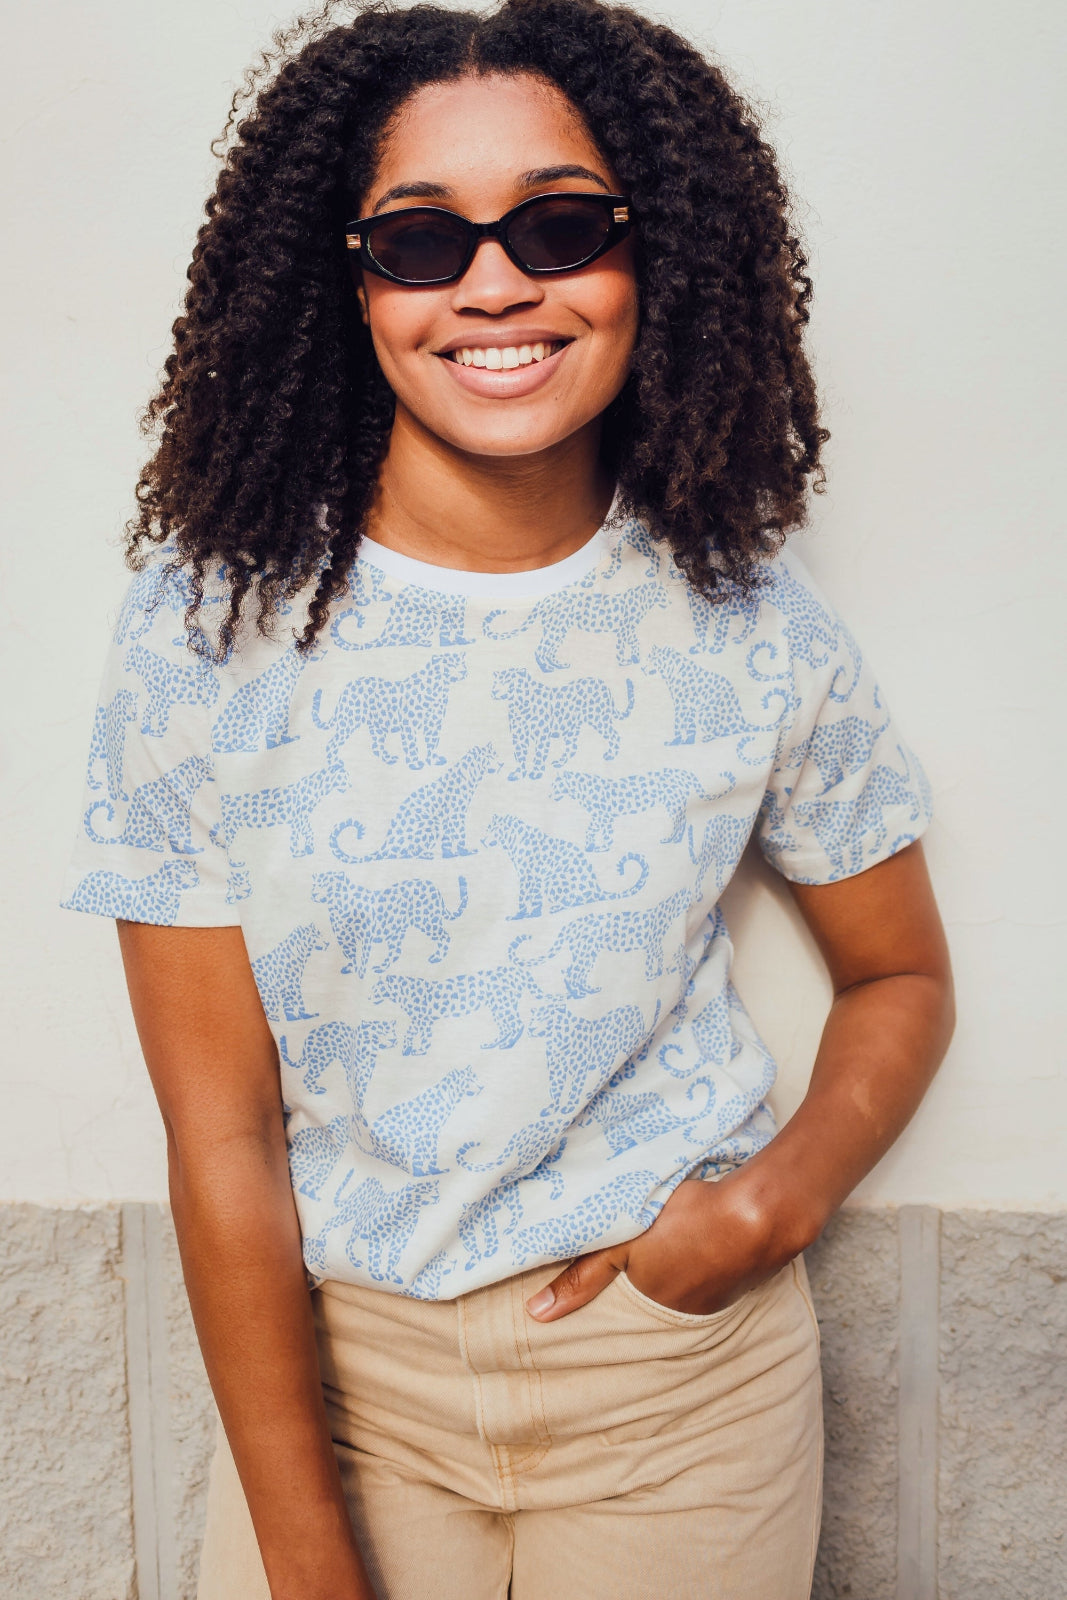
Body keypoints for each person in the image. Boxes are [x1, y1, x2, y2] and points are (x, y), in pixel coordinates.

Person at [61, 1, 955, 1596]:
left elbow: (901, 975)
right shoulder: (204, 636)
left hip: (679, 1392)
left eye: (562, 226)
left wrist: (762, 1210)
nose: (495, 281)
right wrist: (304, 1551)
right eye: (420, 242)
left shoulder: (750, 624)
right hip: (346, 1397)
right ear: (343, 284)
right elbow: (223, 1135)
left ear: (652, 260)